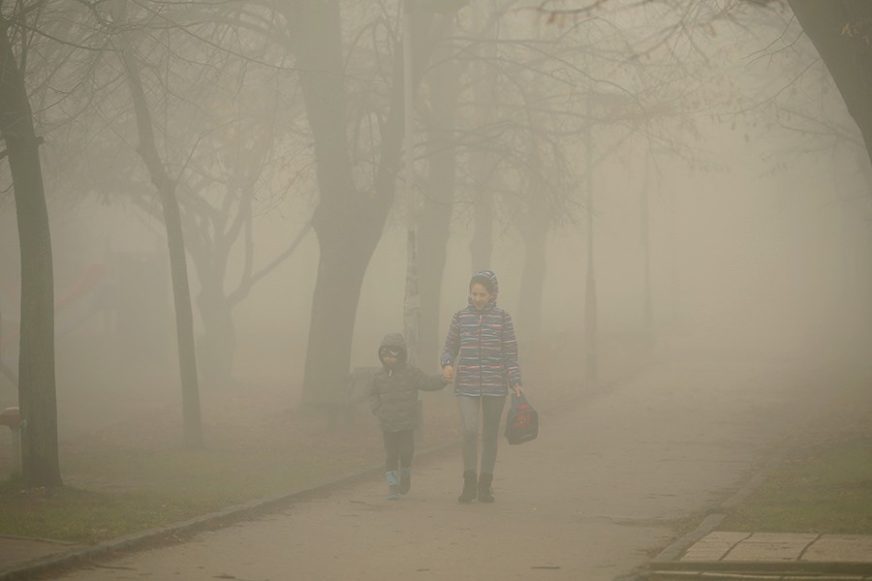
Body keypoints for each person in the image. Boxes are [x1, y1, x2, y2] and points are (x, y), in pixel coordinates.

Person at [441, 270, 523, 503]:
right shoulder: (460, 318)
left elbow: (510, 353)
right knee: (469, 430)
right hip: (466, 384)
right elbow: (449, 347)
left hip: (495, 386)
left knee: (489, 435)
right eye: (474, 293)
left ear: (493, 295)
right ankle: (469, 481)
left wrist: (515, 381)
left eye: (482, 294)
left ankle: (485, 484)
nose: (477, 298)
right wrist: (446, 364)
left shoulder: (503, 318)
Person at [370, 333, 448, 500]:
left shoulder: (411, 372)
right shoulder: (377, 376)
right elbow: (372, 394)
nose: (389, 360)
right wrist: (377, 408)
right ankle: (392, 486)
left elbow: (427, 382)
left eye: (393, 355)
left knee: (406, 452)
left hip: (407, 423)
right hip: (387, 424)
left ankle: (405, 473)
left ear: (401, 354)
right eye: (385, 356)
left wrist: (443, 379)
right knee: (390, 455)